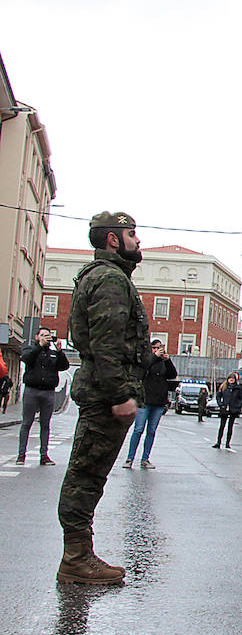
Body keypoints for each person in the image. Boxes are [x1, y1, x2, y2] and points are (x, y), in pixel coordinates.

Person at [57, 211, 151, 584]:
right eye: (131, 233)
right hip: (104, 394)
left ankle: (80, 554)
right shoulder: (111, 281)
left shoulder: (108, 277)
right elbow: (107, 345)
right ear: (113, 239)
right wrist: (119, 395)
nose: (137, 240)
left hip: (102, 391)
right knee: (86, 475)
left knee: (89, 474)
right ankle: (76, 558)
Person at [18, 326, 71, 465]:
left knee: (45, 424)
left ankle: (44, 455)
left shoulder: (53, 353)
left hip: (48, 392)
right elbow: (26, 359)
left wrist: (60, 352)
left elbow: (64, 366)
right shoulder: (30, 350)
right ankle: (21, 455)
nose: (45, 338)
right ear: (37, 337)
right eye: (42, 335)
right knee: (26, 423)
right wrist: (39, 347)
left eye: (48, 336)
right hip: (32, 391)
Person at [122, 338, 176, 468]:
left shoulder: (164, 362)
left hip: (158, 401)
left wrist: (167, 360)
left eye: (160, 348)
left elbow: (172, 374)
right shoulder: (146, 360)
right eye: (155, 348)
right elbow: (142, 370)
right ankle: (130, 458)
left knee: (151, 431)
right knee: (138, 429)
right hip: (145, 400)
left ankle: (145, 459)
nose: (158, 350)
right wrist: (154, 357)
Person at [213, 373, 242, 449]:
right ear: (227, 379)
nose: (231, 380)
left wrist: (238, 406)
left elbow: (241, 398)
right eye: (230, 378)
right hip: (225, 408)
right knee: (222, 426)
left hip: (233, 409)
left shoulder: (238, 388)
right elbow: (218, 396)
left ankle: (227, 443)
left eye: (233, 379)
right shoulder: (224, 387)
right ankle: (218, 442)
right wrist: (221, 404)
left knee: (230, 426)